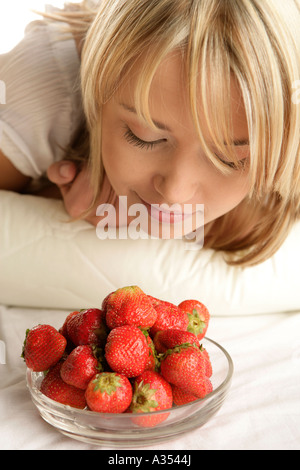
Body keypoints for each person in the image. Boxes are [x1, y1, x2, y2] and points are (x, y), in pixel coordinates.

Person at [0, 0, 299, 267]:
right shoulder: (41, 84)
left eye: (230, 160)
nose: (173, 191)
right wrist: (54, 200)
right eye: (144, 137)